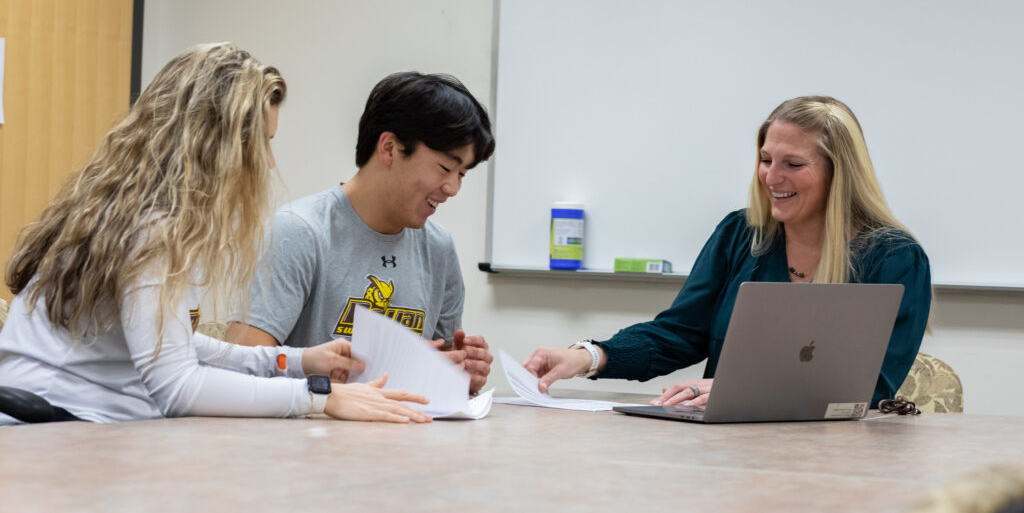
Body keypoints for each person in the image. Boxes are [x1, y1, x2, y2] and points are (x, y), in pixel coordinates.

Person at [0, 44, 430, 424]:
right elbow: (177, 386)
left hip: (84, 420)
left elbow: (176, 346)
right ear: (215, 142)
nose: (270, 162)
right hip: (52, 424)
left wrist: (296, 361)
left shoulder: (151, 214)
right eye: (262, 142)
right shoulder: (153, 227)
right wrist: (319, 397)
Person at [523, 95, 931, 408]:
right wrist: (591, 356)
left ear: (838, 173)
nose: (772, 176)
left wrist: (740, 389)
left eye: (793, 164)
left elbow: (868, 384)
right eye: (766, 159)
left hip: (838, 458)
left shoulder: (895, 259)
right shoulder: (741, 234)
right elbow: (679, 334)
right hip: (727, 448)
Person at [227, 71, 496, 394]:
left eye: (462, 174)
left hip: (409, 438)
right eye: (445, 168)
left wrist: (463, 376)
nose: (452, 188)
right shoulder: (298, 232)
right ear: (390, 148)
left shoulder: (438, 248)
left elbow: (440, 373)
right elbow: (237, 373)